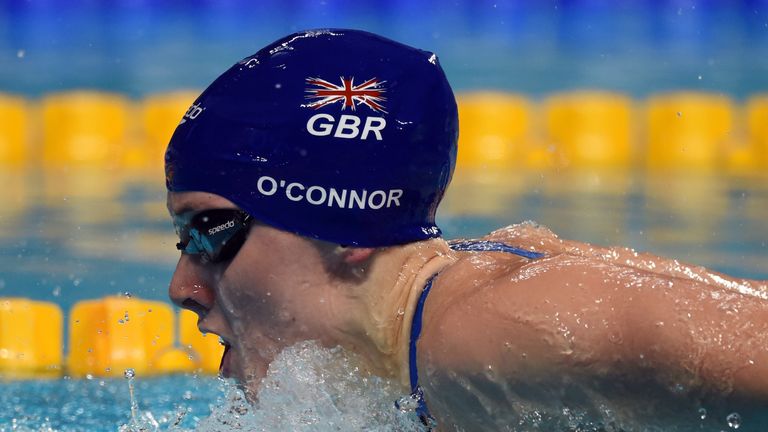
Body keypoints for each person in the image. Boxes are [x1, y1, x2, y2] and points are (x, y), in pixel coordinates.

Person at [165, 29, 768, 430]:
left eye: (210, 231)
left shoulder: (493, 332)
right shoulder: (425, 327)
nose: (183, 283)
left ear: (346, 227)